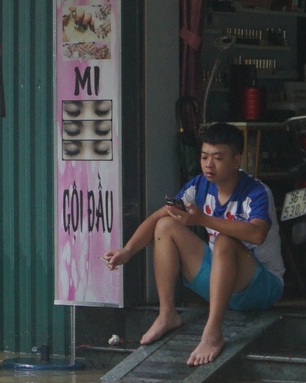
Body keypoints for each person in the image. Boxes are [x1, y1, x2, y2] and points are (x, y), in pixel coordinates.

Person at [104, 123, 288, 367]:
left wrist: (202, 219)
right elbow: (158, 216)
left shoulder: (256, 191)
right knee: (166, 225)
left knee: (224, 240)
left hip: (261, 286)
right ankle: (167, 313)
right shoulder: (199, 185)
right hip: (221, 283)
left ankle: (213, 333)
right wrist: (127, 251)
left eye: (218, 158)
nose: (208, 164)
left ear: (236, 160)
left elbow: (257, 234)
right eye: (204, 157)